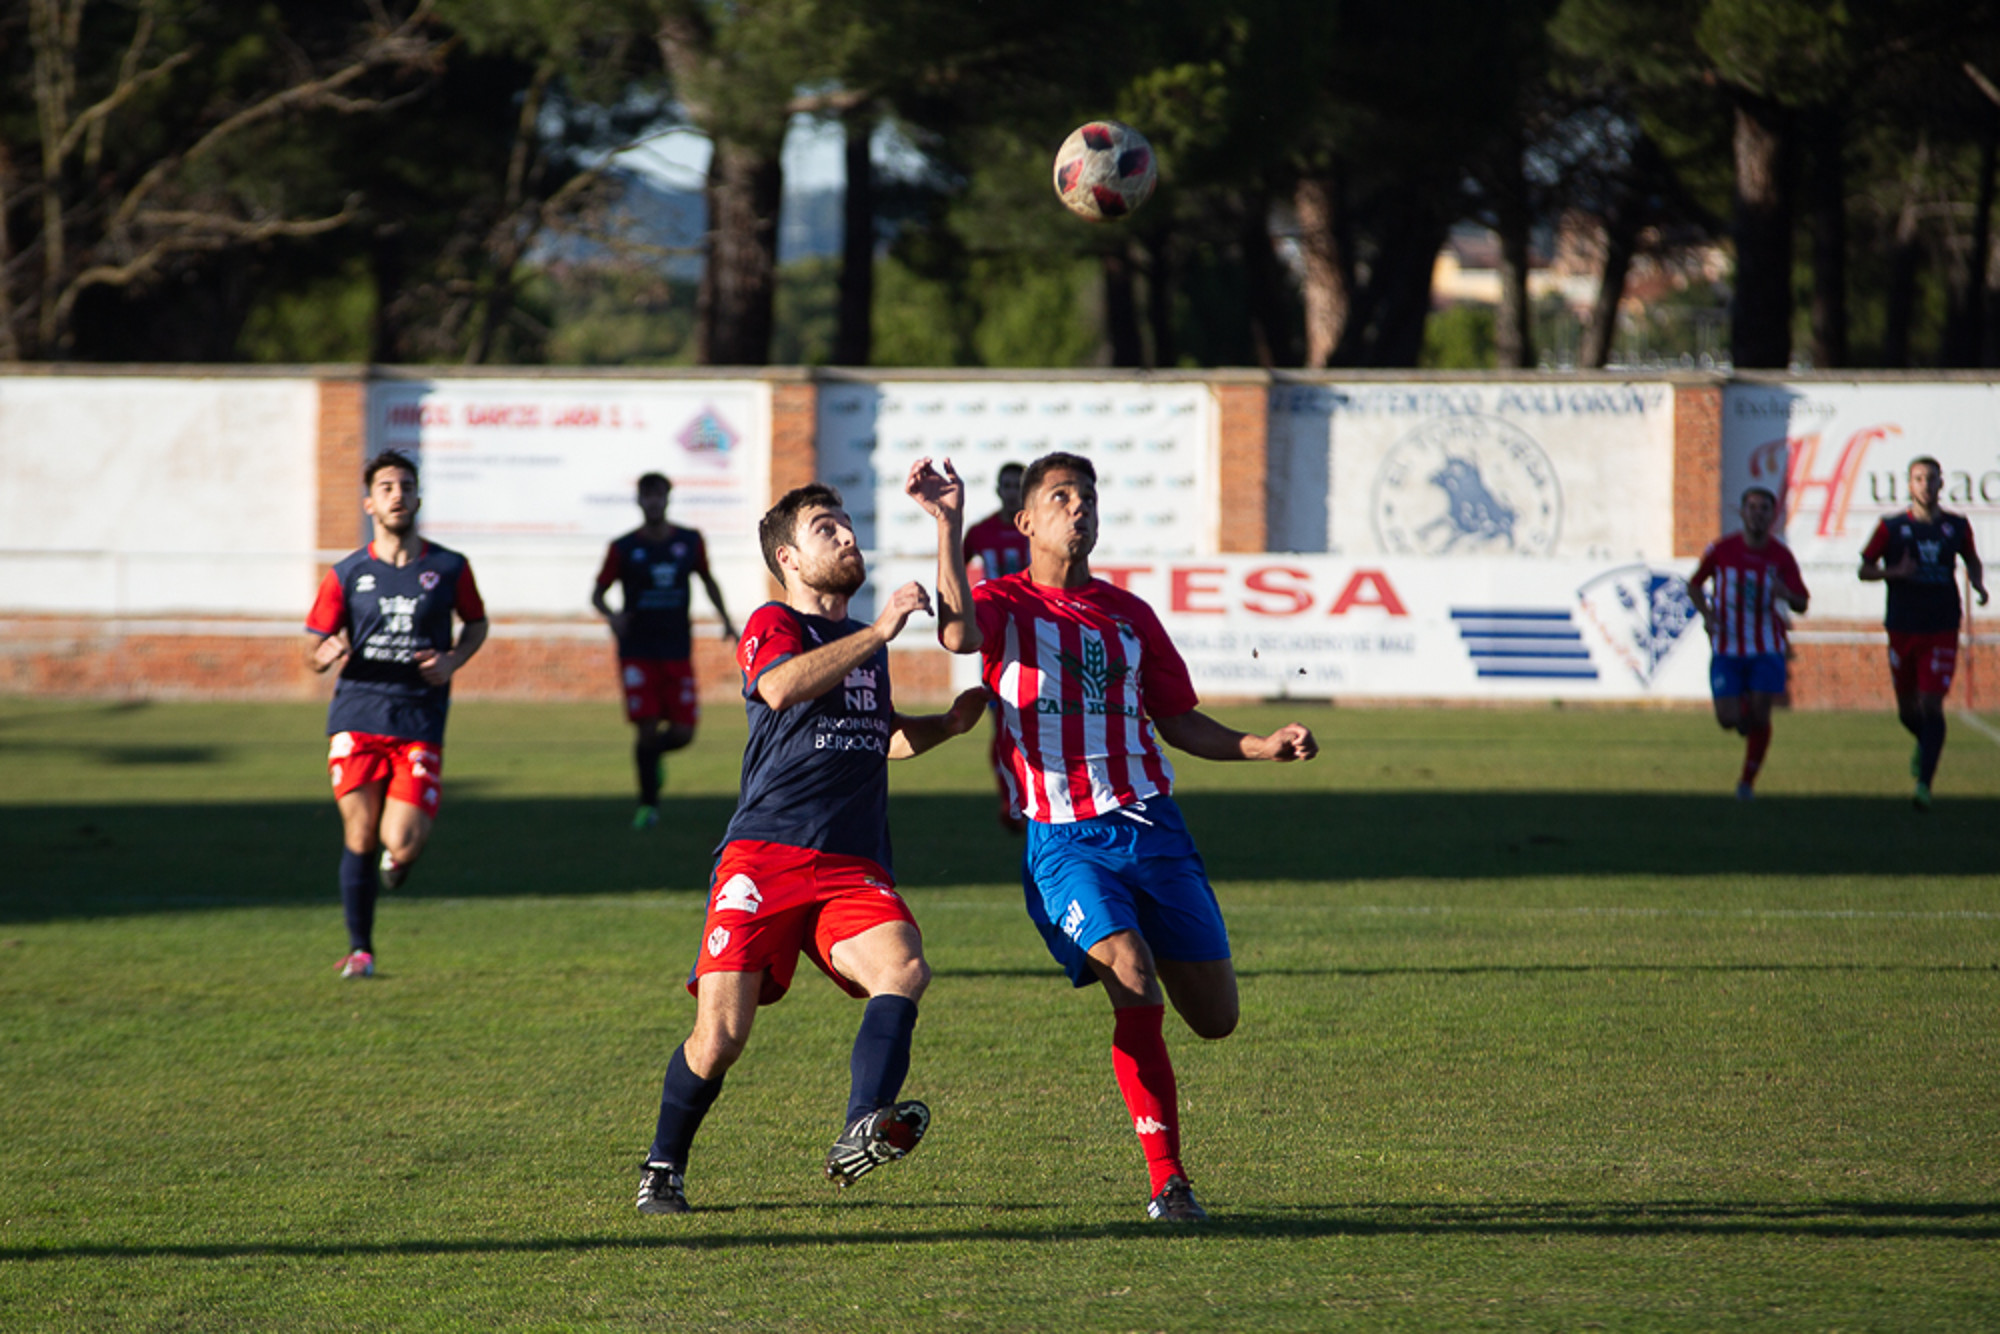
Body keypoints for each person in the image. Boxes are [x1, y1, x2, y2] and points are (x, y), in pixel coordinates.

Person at [943, 451, 1318, 1224]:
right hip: (1063, 839)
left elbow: (1178, 720)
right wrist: (947, 523)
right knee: (1132, 975)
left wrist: (1259, 745)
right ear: (1027, 523)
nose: (1079, 509)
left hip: (1153, 829)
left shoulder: (1130, 616)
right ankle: (1169, 1181)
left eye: (1087, 497)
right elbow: (955, 635)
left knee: (1215, 1019)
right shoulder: (1003, 606)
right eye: (1060, 498)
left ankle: (1169, 1165)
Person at [634, 459, 987, 1216]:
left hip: (850, 862)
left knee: (905, 969)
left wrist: (947, 727)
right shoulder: (776, 625)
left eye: (848, 524)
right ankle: (663, 1165)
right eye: (827, 529)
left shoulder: (865, 641)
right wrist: (884, 629)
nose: (847, 536)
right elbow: (782, 686)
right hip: (763, 854)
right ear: (789, 560)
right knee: (721, 1037)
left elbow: (877, 737)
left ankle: (863, 1122)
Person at [305, 448, 488, 979]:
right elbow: (311, 644)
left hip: (419, 719)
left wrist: (453, 658)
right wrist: (323, 655)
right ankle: (360, 949)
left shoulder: (450, 567)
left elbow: (476, 624)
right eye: (386, 487)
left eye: (406, 486)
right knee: (359, 835)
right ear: (369, 503)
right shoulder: (347, 573)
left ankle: (397, 861)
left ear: (418, 497)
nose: (397, 495)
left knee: (402, 841)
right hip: (357, 714)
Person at [592, 473, 738, 830]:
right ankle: (648, 805)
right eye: (647, 496)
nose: (653, 502)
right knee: (644, 728)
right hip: (637, 649)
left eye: (659, 496)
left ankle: (651, 756)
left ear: (668, 499)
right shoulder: (623, 547)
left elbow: (707, 580)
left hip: (675, 647)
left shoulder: (689, 541)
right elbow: (598, 593)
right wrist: (613, 617)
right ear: (639, 501)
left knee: (684, 733)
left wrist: (727, 621)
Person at [1859, 455, 1988, 809]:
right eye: (1918, 478)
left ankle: (1924, 786)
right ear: (1909, 484)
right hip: (1902, 624)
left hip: (1942, 625)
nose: (1925, 485)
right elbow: (1864, 569)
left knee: (1931, 705)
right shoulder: (1891, 527)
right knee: (1907, 711)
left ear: (1942, 484)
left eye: (1931, 479)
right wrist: (1893, 573)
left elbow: (1971, 558)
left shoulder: (1956, 526)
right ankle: (1925, 745)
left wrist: (1977, 583)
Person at [1684, 486, 1810, 800]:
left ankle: (1746, 783)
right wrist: (1708, 615)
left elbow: (1802, 602)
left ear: (1773, 515)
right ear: (1741, 512)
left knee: (1760, 714)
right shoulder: (1721, 550)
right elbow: (1695, 585)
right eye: (1751, 507)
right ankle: (1742, 715)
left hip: (1766, 646)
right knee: (1728, 719)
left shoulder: (1781, 556)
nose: (1757, 513)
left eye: (1764, 508)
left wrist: (1787, 594)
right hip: (1727, 645)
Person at [962, 462, 1032, 832]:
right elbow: (955, 569)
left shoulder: (1040, 529)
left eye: (1017, 485)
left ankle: (1039, 794)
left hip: (1039, 632)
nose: (1011, 491)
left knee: (1043, 716)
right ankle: (1010, 799)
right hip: (998, 638)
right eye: (1006, 484)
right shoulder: (980, 533)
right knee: (1003, 721)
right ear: (997, 489)